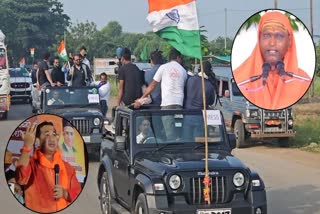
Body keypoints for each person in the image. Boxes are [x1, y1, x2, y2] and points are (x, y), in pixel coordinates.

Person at [233, 11, 312, 110]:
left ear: (289, 42)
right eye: (266, 35)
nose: (272, 43)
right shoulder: (241, 79)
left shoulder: (302, 81)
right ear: (259, 39)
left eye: (279, 36)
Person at [15, 121, 81, 213]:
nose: (52, 138)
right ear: (37, 141)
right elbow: (21, 178)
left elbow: (77, 193)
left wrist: (65, 193)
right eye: (47, 135)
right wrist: (27, 146)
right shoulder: (31, 164)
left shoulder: (67, 167)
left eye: (54, 134)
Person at [138, 48, 187, 140]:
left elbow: (152, 85)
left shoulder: (163, 67)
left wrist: (141, 98)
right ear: (178, 57)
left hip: (167, 106)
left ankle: (170, 151)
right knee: (178, 133)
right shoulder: (183, 70)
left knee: (169, 134)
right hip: (179, 106)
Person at [183, 61, 217, 140]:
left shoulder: (190, 80)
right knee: (198, 144)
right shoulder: (209, 85)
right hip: (200, 117)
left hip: (187, 115)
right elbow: (211, 102)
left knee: (186, 142)